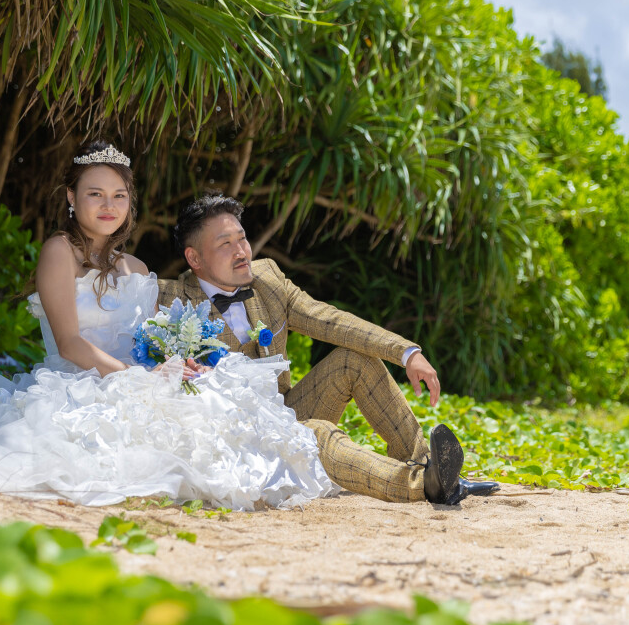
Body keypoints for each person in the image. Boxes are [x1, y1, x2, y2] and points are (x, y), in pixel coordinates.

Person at [0, 144, 336, 510]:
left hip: (139, 378)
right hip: (80, 383)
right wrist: (139, 377)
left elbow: (148, 340)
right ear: (71, 196)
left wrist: (175, 363)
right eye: (95, 194)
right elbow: (70, 343)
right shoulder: (59, 252)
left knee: (216, 408)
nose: (108, 205)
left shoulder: (135, 266)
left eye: (119, 195)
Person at [161, 193, 500, 506]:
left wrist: (406, 352)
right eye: (225, 244)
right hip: (236, 441)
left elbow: (329, 320)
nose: (241, 251)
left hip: (284, 410)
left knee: (352, 360)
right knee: (317, 435)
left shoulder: (268, 279)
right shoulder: (170, 301)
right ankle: (423, 485)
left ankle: (428, 466)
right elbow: (136, 353)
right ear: (194, 258)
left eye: (242, 238)